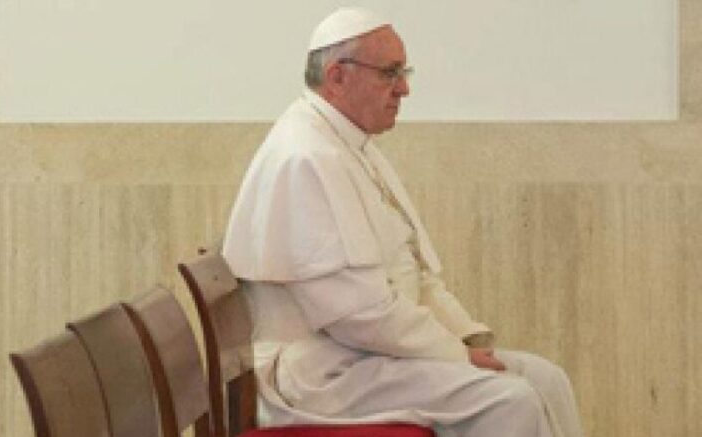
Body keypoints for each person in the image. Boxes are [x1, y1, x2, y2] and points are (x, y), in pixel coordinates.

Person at [221, 7, 584, 437]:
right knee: (510, 399)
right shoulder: (307, 157)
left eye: (404, 72)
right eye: (390, 73)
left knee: (546, 378)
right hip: (318, 372)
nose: (404, 89)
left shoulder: (352, 146)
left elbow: (413, 270)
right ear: (337, 77)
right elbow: (358, 315)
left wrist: (465, 336)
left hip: (359, 352)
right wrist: (454, 354)